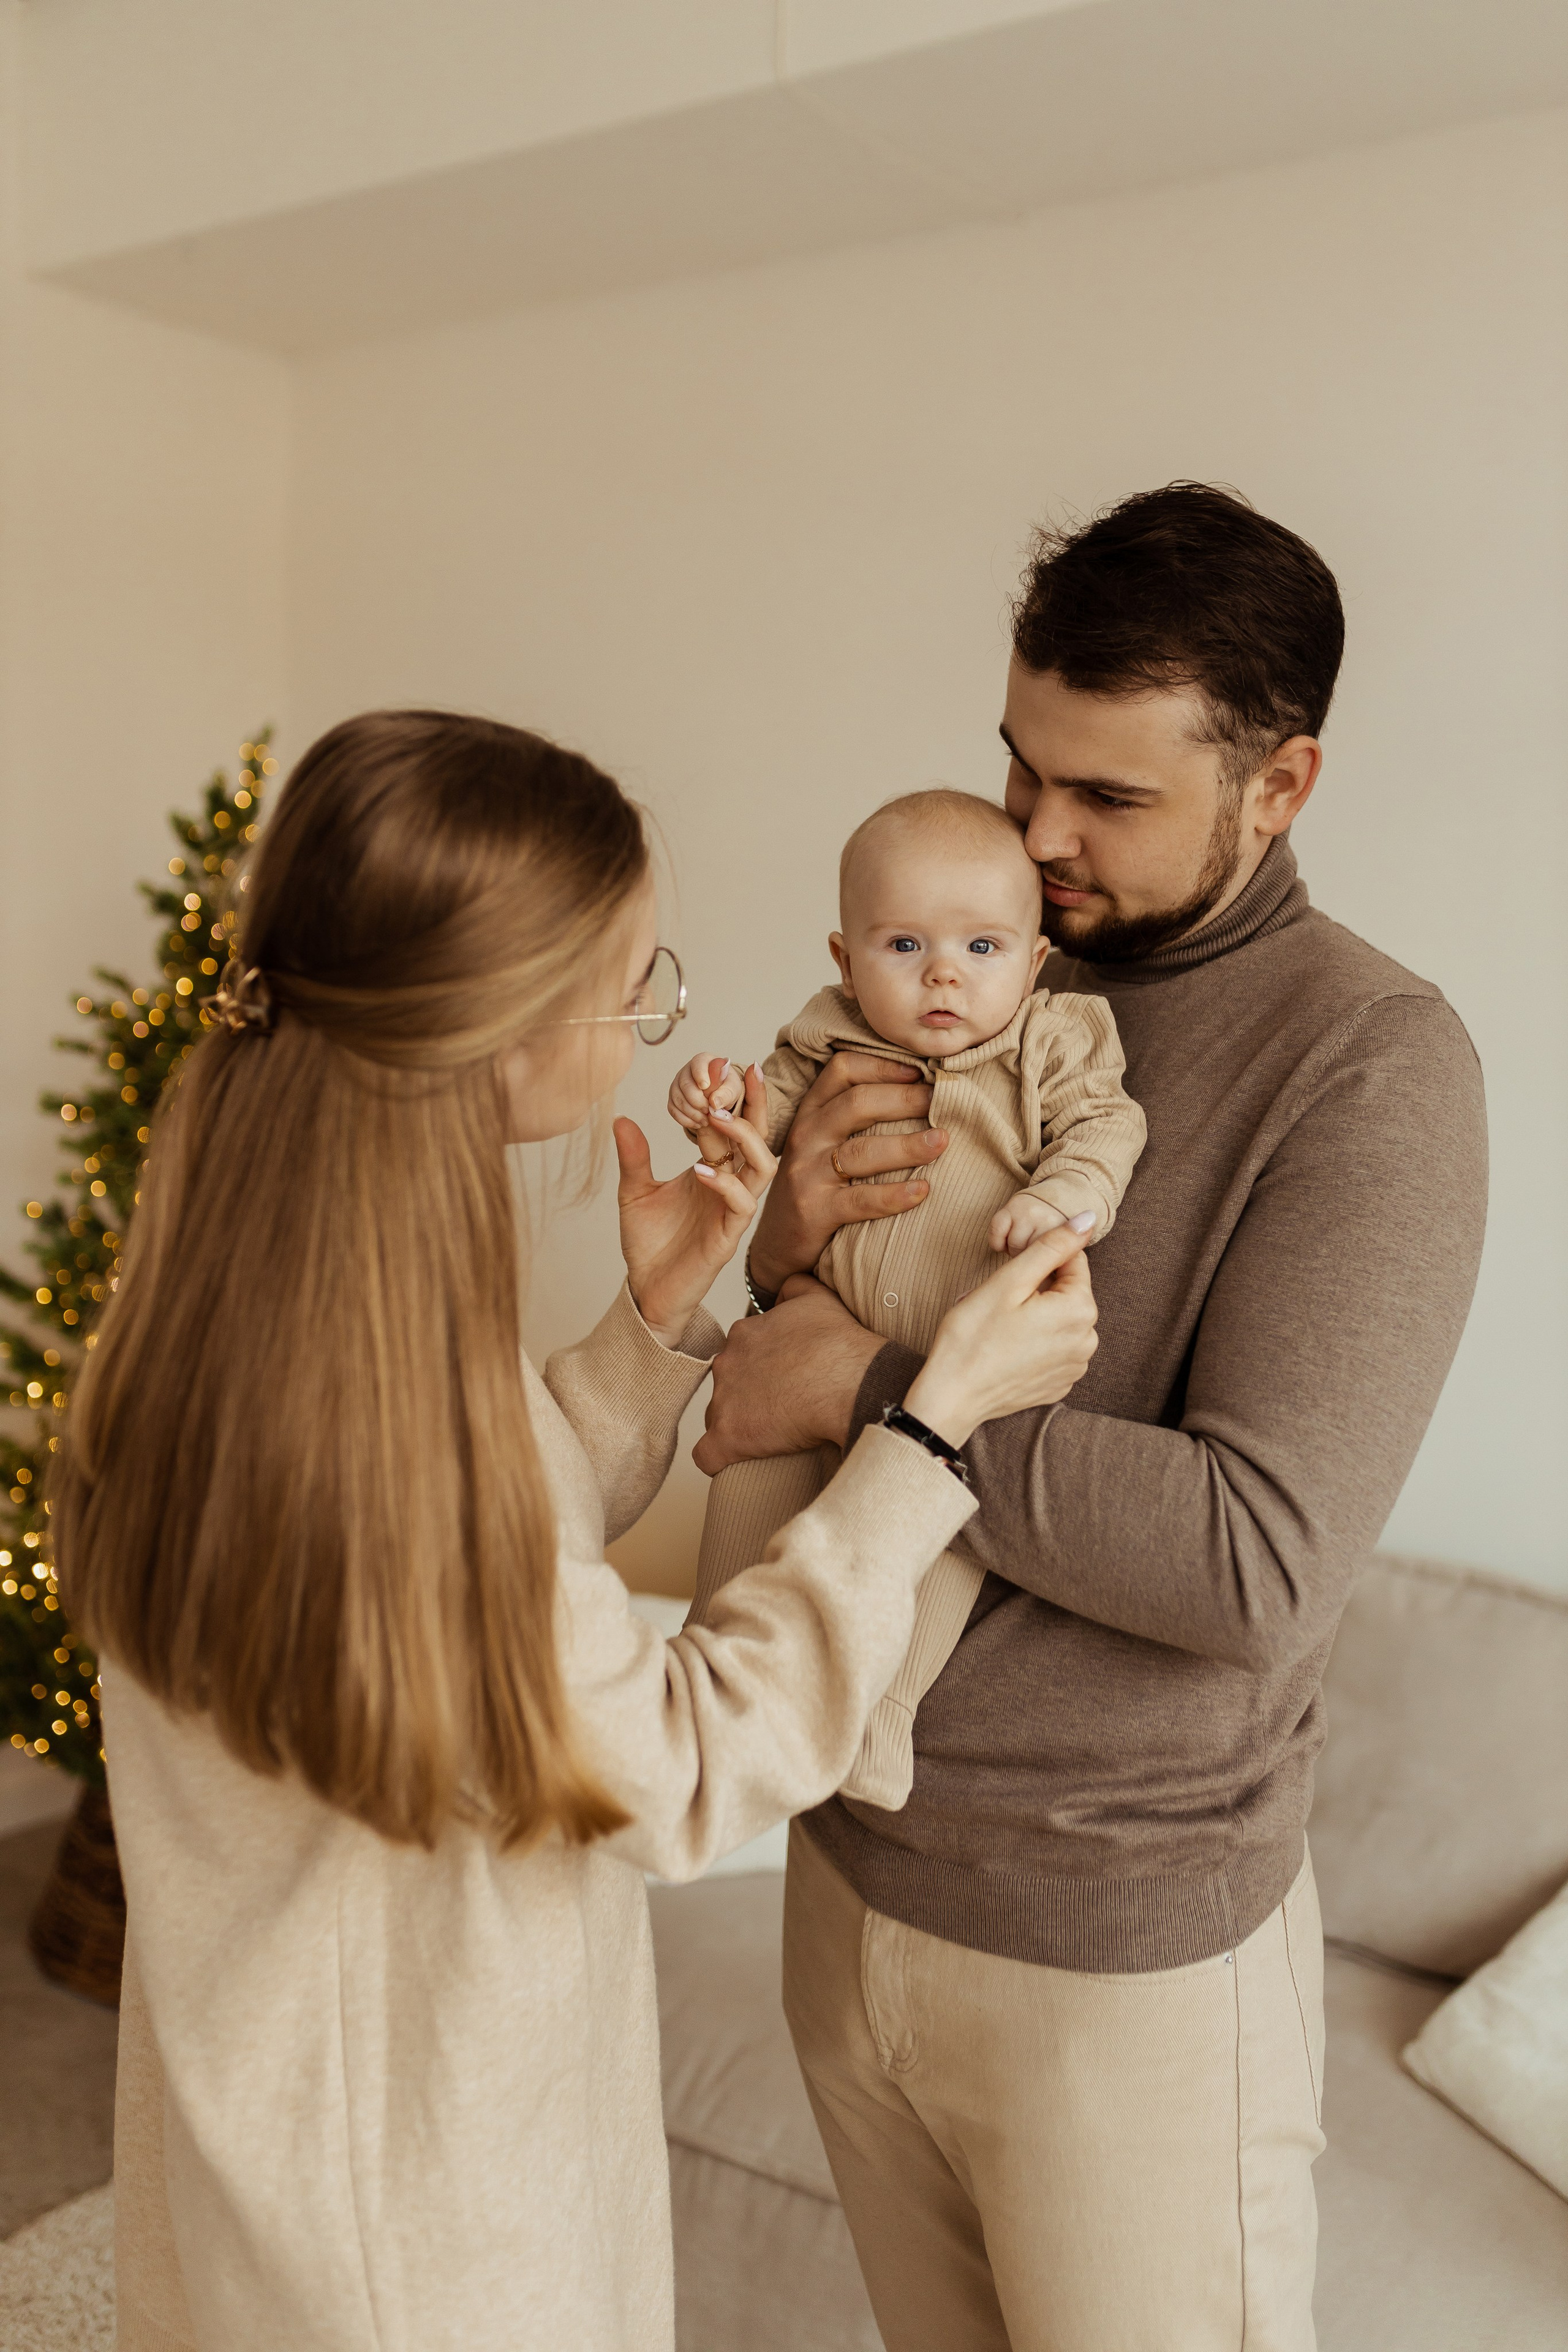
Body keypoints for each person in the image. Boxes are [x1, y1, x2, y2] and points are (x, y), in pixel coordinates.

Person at [50, 710, 1100, 2352]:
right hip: (423, 2228)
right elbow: (675, 1767)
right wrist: (926, 1424)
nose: (644, 1016)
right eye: (635, 981)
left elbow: (467, 1597)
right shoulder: (374, 1423)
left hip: (282, 2153)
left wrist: (657, 1317)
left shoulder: (255, 1305)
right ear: (519, 1025)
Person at [696, 486, 1488, 2351]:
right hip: (848, 1859)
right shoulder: (951, 981)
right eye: (1020, 766)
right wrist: (786, 1248)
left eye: (1110, 798)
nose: (1035, 838)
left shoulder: (1370, 1064)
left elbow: (1253, 1563)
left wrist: (871, 1385)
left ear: (1282, 783)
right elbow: (785, 1365)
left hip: (1119, 1954)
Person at [672, 786, 1143, 1807]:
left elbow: (1107, 1128)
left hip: (947, 1385)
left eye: (983, 948)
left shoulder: (1049, 1043)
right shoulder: (827, 1035)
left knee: (931, 1545)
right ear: (845, 960)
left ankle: (877, 1728)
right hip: (809, 1338)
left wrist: (1068, 1198)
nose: (944, 974)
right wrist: (720, 1110)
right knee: (750, 1491)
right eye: (904, 946)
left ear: (1034, 958)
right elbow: (765, 1115)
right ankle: (707, 1680)